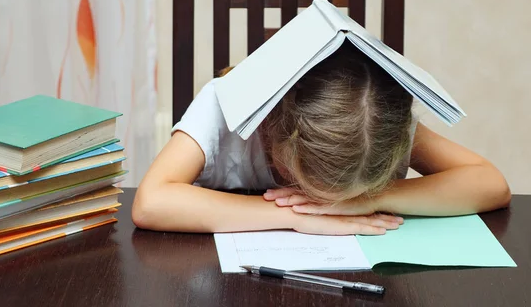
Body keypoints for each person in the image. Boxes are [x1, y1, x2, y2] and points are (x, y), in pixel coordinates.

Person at [132, 44, 511, 235]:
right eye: (312, 189)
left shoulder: (377, 120)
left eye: (337, 198)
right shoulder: (222, 103)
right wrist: (295, 216)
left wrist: (369, 200)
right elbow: (151, 202)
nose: (327, 205)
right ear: (274, 129)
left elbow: (489, 183)